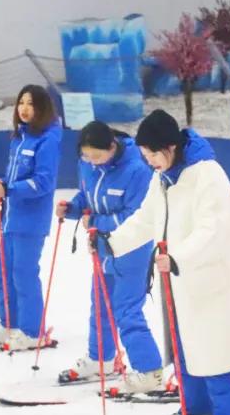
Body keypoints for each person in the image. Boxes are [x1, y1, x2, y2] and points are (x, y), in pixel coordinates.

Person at [104, 110, 230, 415]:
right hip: (178, 283)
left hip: (210, 279)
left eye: (152, 155)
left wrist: (178, 257)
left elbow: (215, 229)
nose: (149, 162)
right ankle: (196, 411)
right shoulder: (163, 178)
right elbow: (147, 218)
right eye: (144, 157)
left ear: (171, 146)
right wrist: (112, 241)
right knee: (184, 351)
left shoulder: (206, 174)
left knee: (214, 353)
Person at [56, 121, 164, 392]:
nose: (92, 162)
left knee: (127, 310)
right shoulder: (88, 165)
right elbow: (88, 196)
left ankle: (150, 372)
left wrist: (96, 221)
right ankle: (100, 359)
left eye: (97, 156)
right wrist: (73, 208)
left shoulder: (137, 170)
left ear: (112, 147)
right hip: (102, 248)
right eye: (86, 156)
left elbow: (138, 216)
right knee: (101, 306)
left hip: (132, 249)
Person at [0, 84, 62, 349]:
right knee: (2, 270)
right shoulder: (19, 137)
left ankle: (31, 331)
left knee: (23, 273)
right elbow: (14, 177)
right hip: (11, 218)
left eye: (31, 104)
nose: (25, 109)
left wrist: (11, 189)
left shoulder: (48, 139)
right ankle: (9, 323)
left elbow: (44, 182)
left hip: (31, 220)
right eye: (21, 103)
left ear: (43, 109)